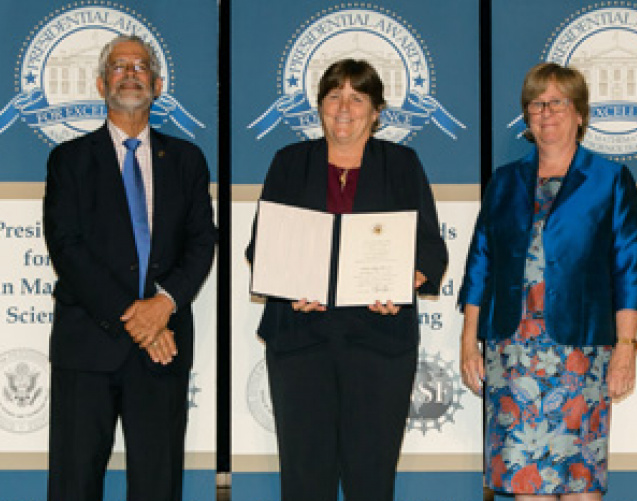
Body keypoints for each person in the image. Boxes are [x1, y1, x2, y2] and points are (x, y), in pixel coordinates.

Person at [246, 59, 448, 501]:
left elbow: (431, 250)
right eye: (334, 95)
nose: (344, 107)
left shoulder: (401, 163)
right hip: (301, 342)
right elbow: (259, 248)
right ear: (319, 106)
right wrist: (285, 283)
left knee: (371, 479)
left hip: (378, 343)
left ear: (376, 112)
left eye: (357, 98)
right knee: (304, 479)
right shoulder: (289, 162)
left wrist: (407, 282)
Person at [459, 62, 637, 499]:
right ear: (526, 116)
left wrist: (626, 348)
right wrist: (470, 342)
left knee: (580, 479)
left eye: (557, 103)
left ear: (580, 113)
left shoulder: (610, 180)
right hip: (513, 350)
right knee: (527, 483)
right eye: (536, 104)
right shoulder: (504, 183)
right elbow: (480, 264)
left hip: (581, 352)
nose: (546, 113)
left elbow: (629, 270)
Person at [43, 35, 216, 501]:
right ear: (101, 83)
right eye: (119, 66)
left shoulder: (187, 161)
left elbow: (203, 242)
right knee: (74, 484)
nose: (131, 72)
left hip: (163, 348)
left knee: (158, 486)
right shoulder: (69, 161)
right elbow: (68, 248)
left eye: (141, 65)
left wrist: (163, 306)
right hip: (88, 347)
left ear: (157, 85)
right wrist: (136, 318)